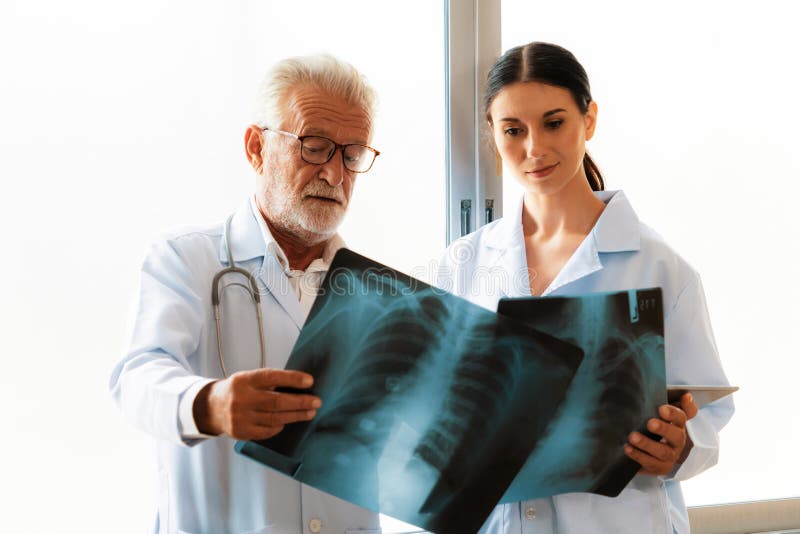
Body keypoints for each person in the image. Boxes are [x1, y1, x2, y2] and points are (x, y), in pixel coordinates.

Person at [436, 42, 734, 534]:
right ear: (492, 134)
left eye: (554, 123)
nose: (534, 149)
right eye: (514, 130)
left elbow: (711, 408)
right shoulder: (460, 265)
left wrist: (679, 447)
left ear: (588, 120)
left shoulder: (661, 267)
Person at [109, 54, 382, 534]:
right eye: (315, 147)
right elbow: (135, 379)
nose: (335, 175)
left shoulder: (377, 293)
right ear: (256, 148)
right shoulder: (186, 260)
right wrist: (209, 404)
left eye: (352, 154)